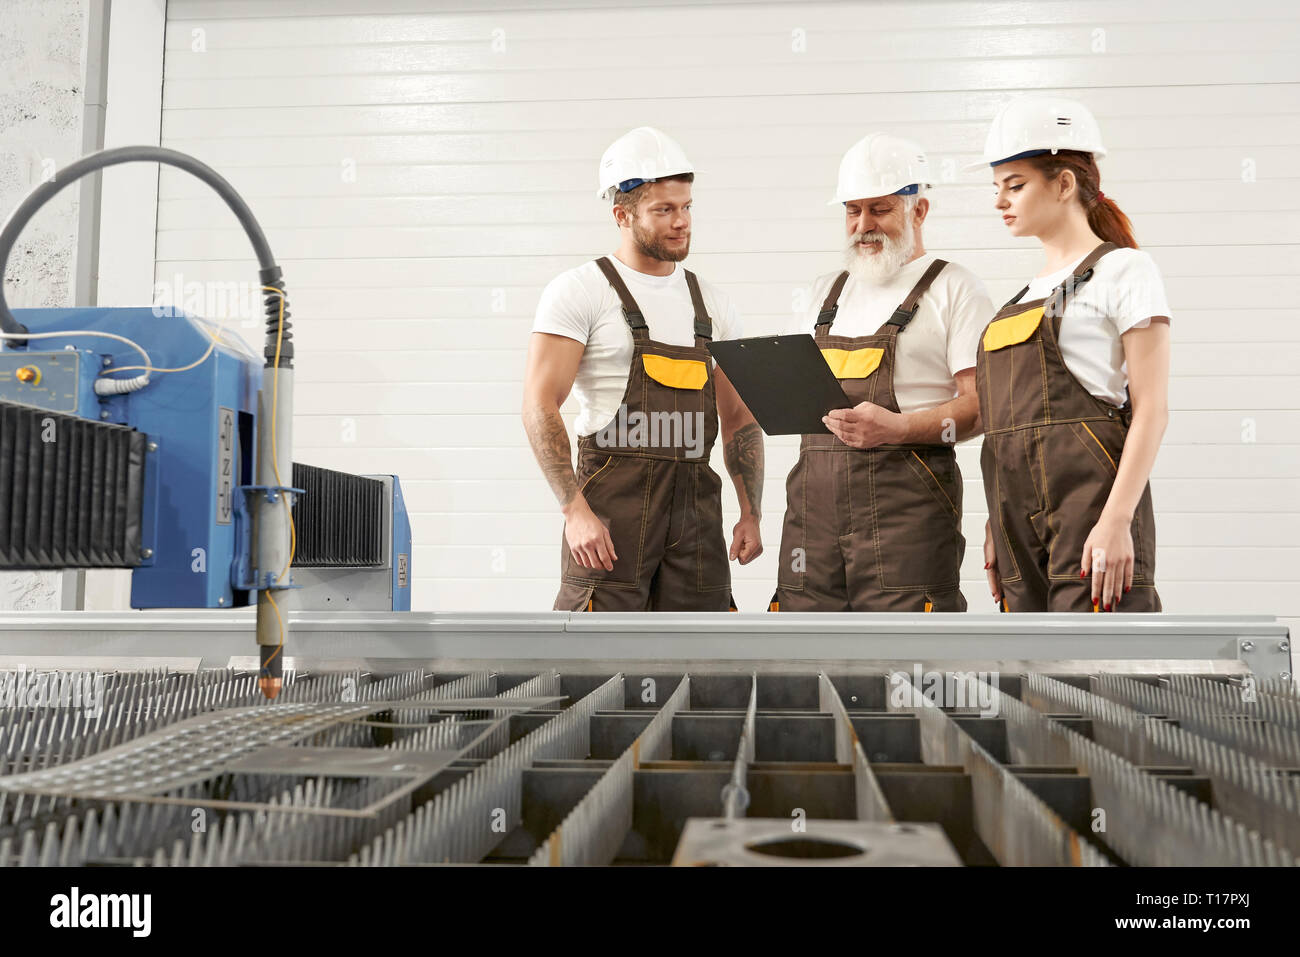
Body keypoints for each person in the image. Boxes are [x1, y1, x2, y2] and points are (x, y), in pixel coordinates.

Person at [522, 127, 764, 612]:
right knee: (594, 664)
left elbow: (740, 419)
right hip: (611, 521)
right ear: (622, 215)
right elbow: (539, 403)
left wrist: (751, 513)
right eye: (664, 210)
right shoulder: (581, 291)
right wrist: (574, 511)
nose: (682, 222)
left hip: (696, 521)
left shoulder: (713, 304)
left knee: (704, 665)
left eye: (687, 207)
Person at [772, 134, 993, 612]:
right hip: (811, 524)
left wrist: (896, 428)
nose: (863, 225)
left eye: (880, 209)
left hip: (906, 527)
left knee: (908, 666)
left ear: (919, 210)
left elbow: (981, 407)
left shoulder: (955, 289)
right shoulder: (822, 294)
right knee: (799, 664)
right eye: (853, 210)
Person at [968, 95, 1171, 612]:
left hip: (1091, 512)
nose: (999, 201)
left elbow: (1150, 408)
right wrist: (997, 520)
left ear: (1063, 184)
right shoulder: (1021, 296)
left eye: (1015, 186)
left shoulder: (1125, 270)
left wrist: (1117, 520)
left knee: (1101, 680)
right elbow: (1006, 430)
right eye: (996, 188)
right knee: (1031, 683)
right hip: (1016, 525)